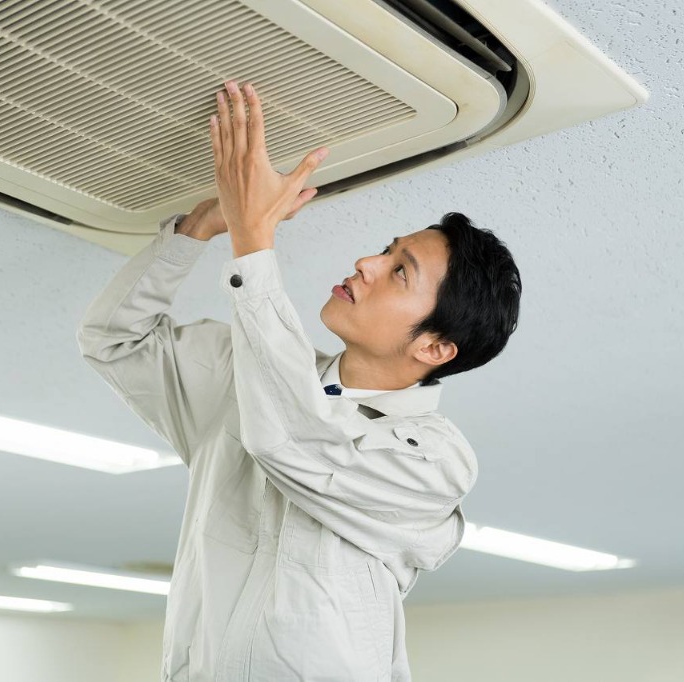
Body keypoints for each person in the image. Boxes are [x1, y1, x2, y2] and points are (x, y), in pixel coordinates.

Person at [77, 80, 521, 681]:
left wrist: (253, 241)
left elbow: (291, 437)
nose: (366, 262)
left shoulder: (436, 463)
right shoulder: (242, 371)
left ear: (435, 347)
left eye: (399, 272)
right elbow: (113, 339)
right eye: (385, 250)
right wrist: (198, 228)